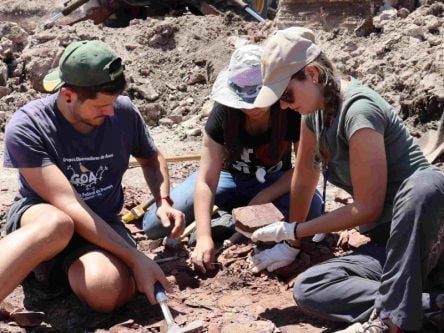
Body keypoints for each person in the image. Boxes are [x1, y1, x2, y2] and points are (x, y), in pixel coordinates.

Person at [250, 27, 444, 332]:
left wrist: (297, 228)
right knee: (311, 286)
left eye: (286, 94)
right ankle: (426, 307)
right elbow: (303, 181)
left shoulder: (359, 111)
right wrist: (292, 242)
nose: (284, 105)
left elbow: (367, 208)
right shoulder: (313, 115)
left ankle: (392, 319)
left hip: (431, 236)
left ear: (312, 74)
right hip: (390, 248)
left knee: (425, 184)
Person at [0, 40, 185, 311]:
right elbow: (69, 204)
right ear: (67, 95)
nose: (110, 112)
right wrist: (135, 258)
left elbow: (151, 158)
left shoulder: (122, 112)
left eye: (112, 103)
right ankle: (32, 256)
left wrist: (163, 200)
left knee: (105, 290)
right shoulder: (28, 127)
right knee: (58, 224)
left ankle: (49, 272)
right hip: (43, 216)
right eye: (101, 106)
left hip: (103, 223)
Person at [142, 44, 323, 273]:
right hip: (228, 177)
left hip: (273, 179)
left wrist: (265, 195)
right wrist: (205, 237)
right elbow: (207, 181)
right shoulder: (223, 114)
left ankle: (234, 216)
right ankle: (226, 219)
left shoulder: (291, 109)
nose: (252, 108)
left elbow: (304, 170)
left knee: (313, 211)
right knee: (154, 225)